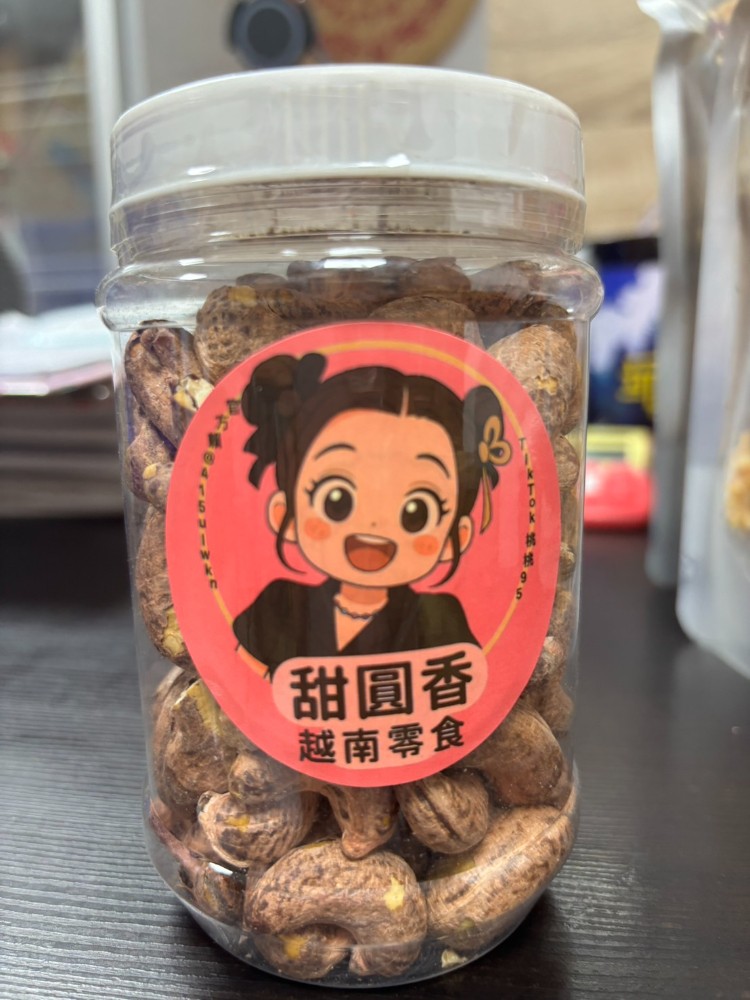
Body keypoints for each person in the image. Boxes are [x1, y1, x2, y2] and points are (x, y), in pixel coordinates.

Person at [232, 352, 511, 677]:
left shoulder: (438, 619)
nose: (375, 525)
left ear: (455, 539)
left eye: (416, 513)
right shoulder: (279, 606)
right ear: (285, 515)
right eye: (337, 501)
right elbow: (243, 679)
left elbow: (467, 682)